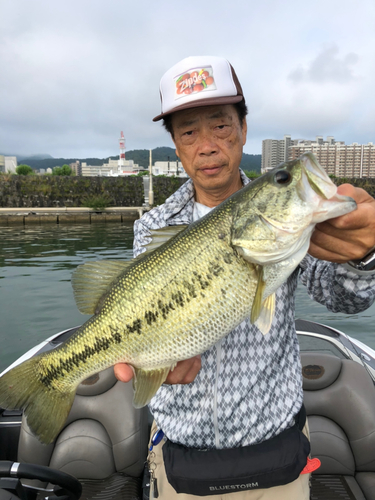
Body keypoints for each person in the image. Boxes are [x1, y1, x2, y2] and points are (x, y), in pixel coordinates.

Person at [114, 56, 375, 499]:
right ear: (176, 146)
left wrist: (363, 257)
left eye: (220, 126)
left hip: (276, 453)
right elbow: (144, 322)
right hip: (181, 456)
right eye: (188, 132)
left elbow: (346, 300)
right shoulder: (153, 226)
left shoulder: (288, 218)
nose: (207, 146)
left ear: (244, 129)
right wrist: (152, 362)